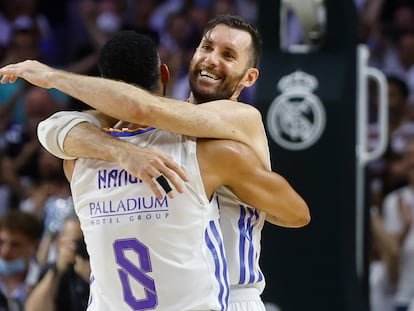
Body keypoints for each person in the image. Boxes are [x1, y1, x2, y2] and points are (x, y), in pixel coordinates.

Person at [0, 15, 310, 310]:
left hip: (230, 293)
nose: (212, 59)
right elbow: (59, 125)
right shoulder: (163, 131)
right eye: (206, 47)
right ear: (173, 68)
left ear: (249, 76)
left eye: (228, 55)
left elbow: (134, 109)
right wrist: (120, 150)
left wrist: (54, 77)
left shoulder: (239, 118)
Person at [25, 215, 90, 311]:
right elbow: (33, 309)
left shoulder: (103, 268)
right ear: (59, 241)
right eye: (76, 241)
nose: (82, 246)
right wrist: (57, 271)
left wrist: (90, 276)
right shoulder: (51, 270)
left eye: (85, 241)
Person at [0, 209, 43, 311]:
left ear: (34, 247)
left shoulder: (44, 280)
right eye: (1, 242)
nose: (5, 252)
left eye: (15, 245)